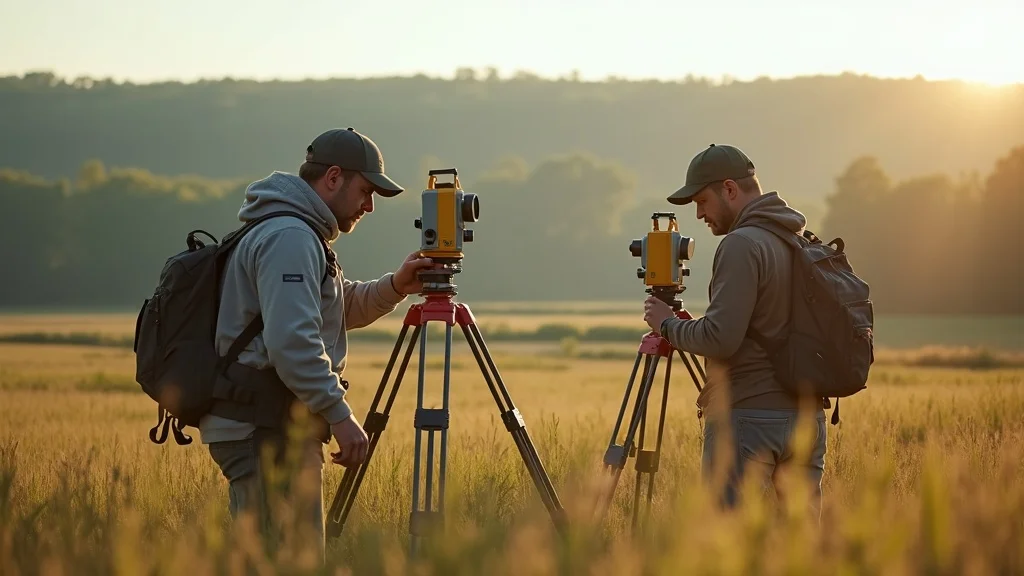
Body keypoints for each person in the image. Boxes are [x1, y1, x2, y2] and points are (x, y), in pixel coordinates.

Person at [201, 127, 434, 560]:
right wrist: (340, 417)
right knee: (286, 562)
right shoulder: (290, 237)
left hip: (271, 426)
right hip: (265, 430)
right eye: (365, 191)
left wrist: (396, 286)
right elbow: (293, 342)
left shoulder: (300, 233)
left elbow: (335, 309)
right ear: (332, 177)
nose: (368, 206)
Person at [642, 143, 828, 520]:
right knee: (800, 546)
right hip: (807, 420)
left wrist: (666, 323)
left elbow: (721, 340)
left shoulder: (742, 244)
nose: (699, 213)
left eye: (703, 200)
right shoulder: (796, 240)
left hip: (750, 418)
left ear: (730, 189)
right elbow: (751, 325)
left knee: (733, 541)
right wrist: (691, 326)